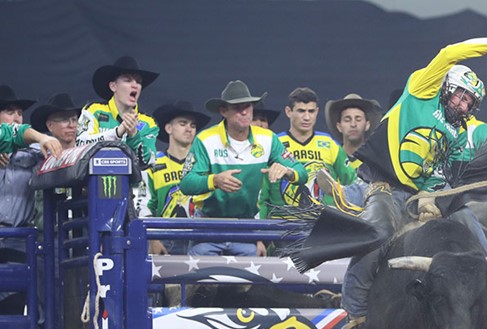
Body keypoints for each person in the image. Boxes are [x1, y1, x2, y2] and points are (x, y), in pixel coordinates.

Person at [340, 33, 487, 329]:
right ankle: (355, 305)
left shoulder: (455, 132)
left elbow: (439, 174)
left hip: (419, 191)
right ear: (447, 87)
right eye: (461, 96)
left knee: (471, 224)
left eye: (470, 102)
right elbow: (449, 53)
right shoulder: (422, 90)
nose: (464, 106)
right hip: (384, 183)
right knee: (379, 233)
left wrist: (431, 197)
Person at [180, 80, 307, 257]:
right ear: (223, 111)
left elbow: (302, 173)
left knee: (247, 282)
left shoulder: (268, 139)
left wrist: (288, 172)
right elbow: (186, 184)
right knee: (201, 282)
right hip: (208, 227)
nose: (245, 112)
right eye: (237, 107)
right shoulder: (205, 139)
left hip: (246, 228)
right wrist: (214, 180)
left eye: (248, 106)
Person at [1, 87, 61, 329]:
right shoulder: (24, 142)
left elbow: (57, 155)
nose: (16, 117)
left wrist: (40, 142)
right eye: (8, 111)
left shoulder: (31, 153)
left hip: (15, 239)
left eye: (18, 112)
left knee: (12, 314)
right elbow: (16, 134)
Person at [77, 56, 160, 217]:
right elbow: (80, 144)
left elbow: (148, 161)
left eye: (138, 81)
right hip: (90, 195)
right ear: (113, 86)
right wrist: (117, 133)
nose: (134, 84)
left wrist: (133, 135)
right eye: (128, 80)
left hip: (129, 197)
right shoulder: (93, 110)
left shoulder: (148, 123)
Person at [264, 87, 358, 216]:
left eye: (311, 111)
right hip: (280, 225)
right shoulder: (275, 143)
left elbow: (351, 182)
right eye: (301, 111)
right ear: (288, 111)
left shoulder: (330, 145)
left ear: (317, 112)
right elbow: (262, 194)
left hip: (322, 227)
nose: (307, 117)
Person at [147, 101, 211, 255]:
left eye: (193, 125)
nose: (189, 129)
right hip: (164, 239)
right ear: (168, 128)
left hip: (200, 238)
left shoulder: (205, 164)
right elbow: (144, 207)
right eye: (183, 123)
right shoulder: (153, 165)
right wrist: (152, 240)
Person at [324, 93, 381, 169]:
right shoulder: (330, 158)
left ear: (367, 125)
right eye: (347, 120)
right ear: (339, 126)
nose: (353, 124)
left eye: (358, 119)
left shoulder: (376, 161)